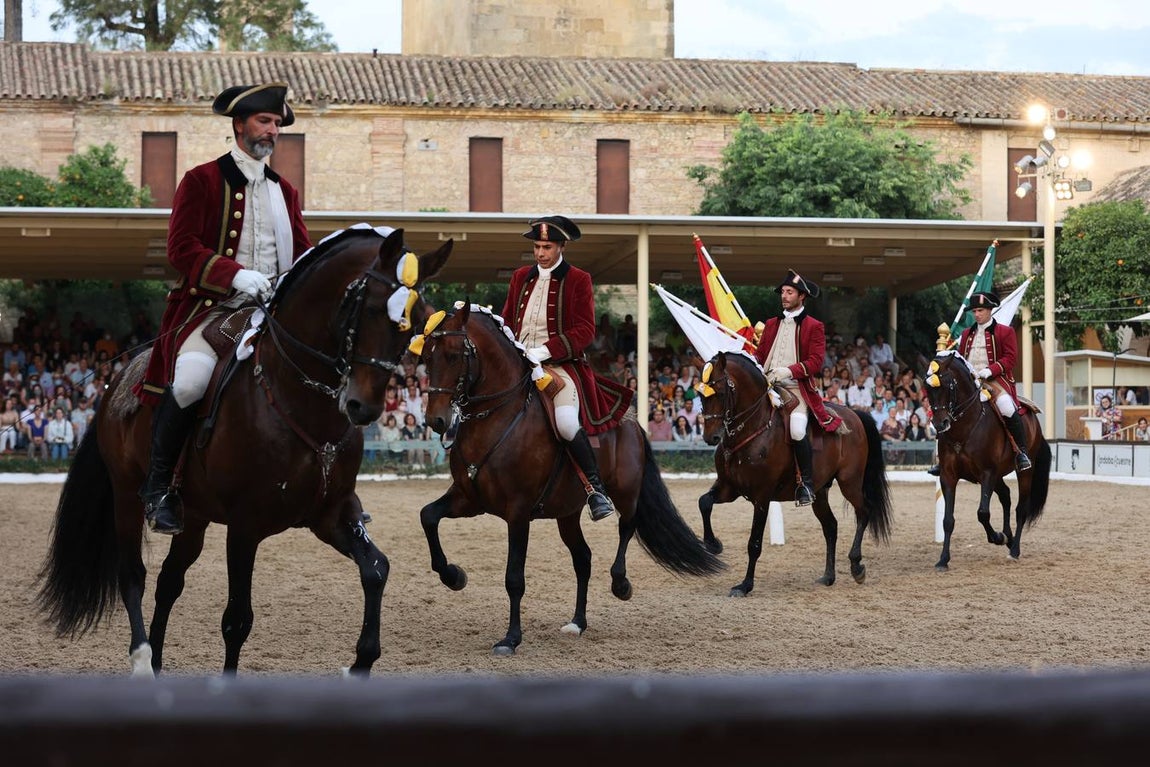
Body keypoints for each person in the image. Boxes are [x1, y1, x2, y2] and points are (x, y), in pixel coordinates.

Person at [135, 82, 311, 535]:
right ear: (239, 126)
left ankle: (327, 487)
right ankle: (159, 490)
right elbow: (181, 247)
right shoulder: (201, 179)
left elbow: (304, 252)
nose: (272, 131)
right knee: (192, 381)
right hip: (214, 311)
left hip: (272, 314)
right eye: (264, 122)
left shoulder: (285, 192)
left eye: (277, 124)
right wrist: (233, 274)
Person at [499, 215, 632, 521]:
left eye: (546, 247)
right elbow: (507, 320)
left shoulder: (579, 279)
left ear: (561, 246)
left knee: (567, 423)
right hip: (519, 363)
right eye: (536, 246)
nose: (540, 253)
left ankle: (595, 490)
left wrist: (544, 351)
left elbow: (585, 330)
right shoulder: (520, 276)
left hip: (558, 366)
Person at [755, 269, 843, 505]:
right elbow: (759, 355)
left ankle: (806, 483)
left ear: (801, 296)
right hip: (768, 387)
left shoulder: (815, 326)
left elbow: (816, 362)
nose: (784, 296)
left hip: (797, 391)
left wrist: (787, 371)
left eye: (789, 292)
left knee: (796, 429)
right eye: (783, 292)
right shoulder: (772, 324)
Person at [929, 291, 1031, 476]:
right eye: (974, 311)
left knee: (1007, 407)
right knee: (946, 410)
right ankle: (942, 458)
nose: (977, 314)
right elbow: (959, 359)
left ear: (990, 310)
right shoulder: (967, 333)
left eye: (980, 310)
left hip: (995, 380)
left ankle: (1021, 452)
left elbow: (1010, 359)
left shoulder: (1005, 331)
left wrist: (990, 370)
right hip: (969, 382)